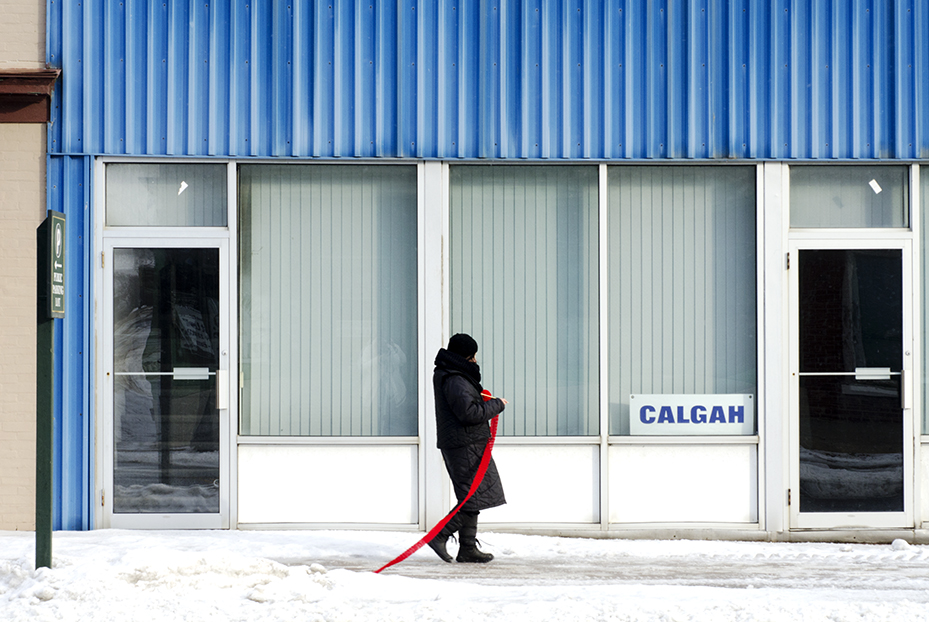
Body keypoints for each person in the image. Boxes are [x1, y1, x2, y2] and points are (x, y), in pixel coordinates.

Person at [427, 333, 507, 563]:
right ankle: (439, 536)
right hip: (464, 445)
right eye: (473, 356)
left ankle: (467, 549)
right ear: (466, 356)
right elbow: (469, 414)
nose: (475, 361)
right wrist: (496, 405)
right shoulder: (454, 379)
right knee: (472, 497)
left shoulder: (453, 374)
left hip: (466, 443)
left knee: (473, 496)